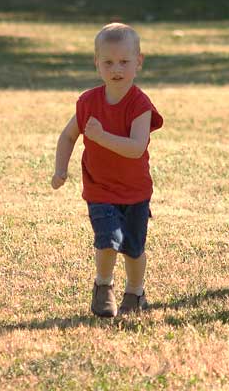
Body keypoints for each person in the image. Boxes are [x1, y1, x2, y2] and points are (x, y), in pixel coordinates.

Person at [51, 22, 163, 317]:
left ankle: (135, 292)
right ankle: (103, 286)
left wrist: (101, 137)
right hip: (99, 188)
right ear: (97, 64)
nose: (117, 69)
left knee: (134, 250)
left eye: (125, 62)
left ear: (138, 62)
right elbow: (68, 136)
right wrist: (60, 170)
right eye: (109, 62)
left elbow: (136, 147)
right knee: (108, 239)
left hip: (135, 191)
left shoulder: (140, 104)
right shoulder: (88, 102)